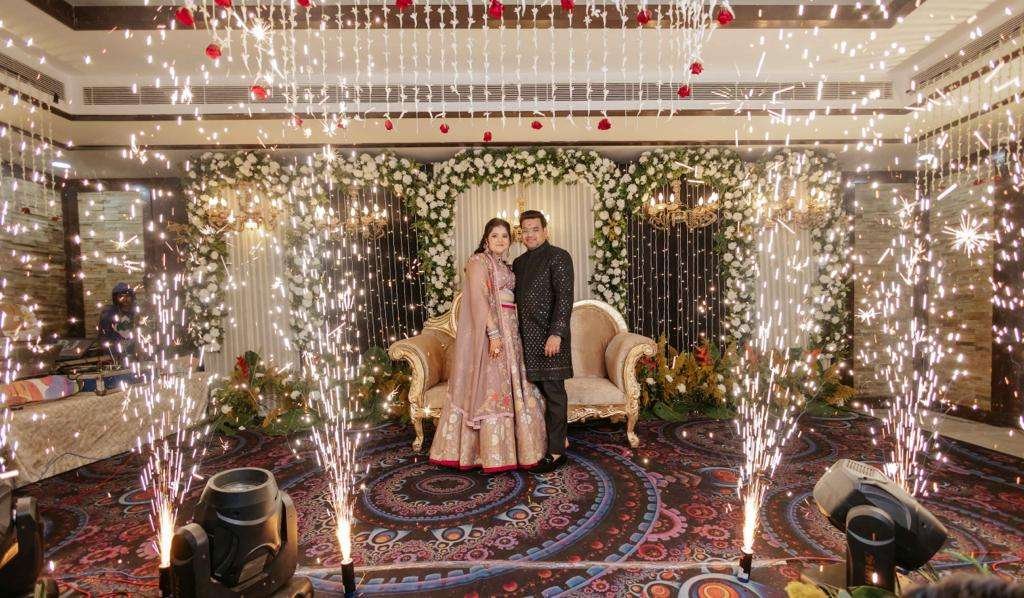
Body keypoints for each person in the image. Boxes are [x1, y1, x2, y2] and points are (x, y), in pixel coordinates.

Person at [428, 219, 547, 473]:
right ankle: (487, 454)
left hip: (511, 331)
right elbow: (479, 301)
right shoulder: (478, 262)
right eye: (495, 236)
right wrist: (493, 335)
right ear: (486, 239)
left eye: (505, 236)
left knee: (512, 386)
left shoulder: (505, 265)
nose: (500, 240)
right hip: (490, 334)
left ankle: (516, 450)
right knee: (491, 386)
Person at [512, 210, 574, 473]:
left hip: (550, 339)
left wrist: (556, 333)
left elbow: (564, 297)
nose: (530, 234)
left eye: (535, 229)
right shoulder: (518, 263)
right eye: (525, 230)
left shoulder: (559, 256)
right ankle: (556, 440)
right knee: (534, 395)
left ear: (545, 231)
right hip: (526, 340)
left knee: (554, 394)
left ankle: (557, 452)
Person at [98, 282, 137, 357]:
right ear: (116, 298)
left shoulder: (137, 312)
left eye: (127, 296)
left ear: (132, 297)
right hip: (114, 353)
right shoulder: (109, 314)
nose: (125, 299)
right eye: (121, 296)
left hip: (134, 352)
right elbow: (103, 337)